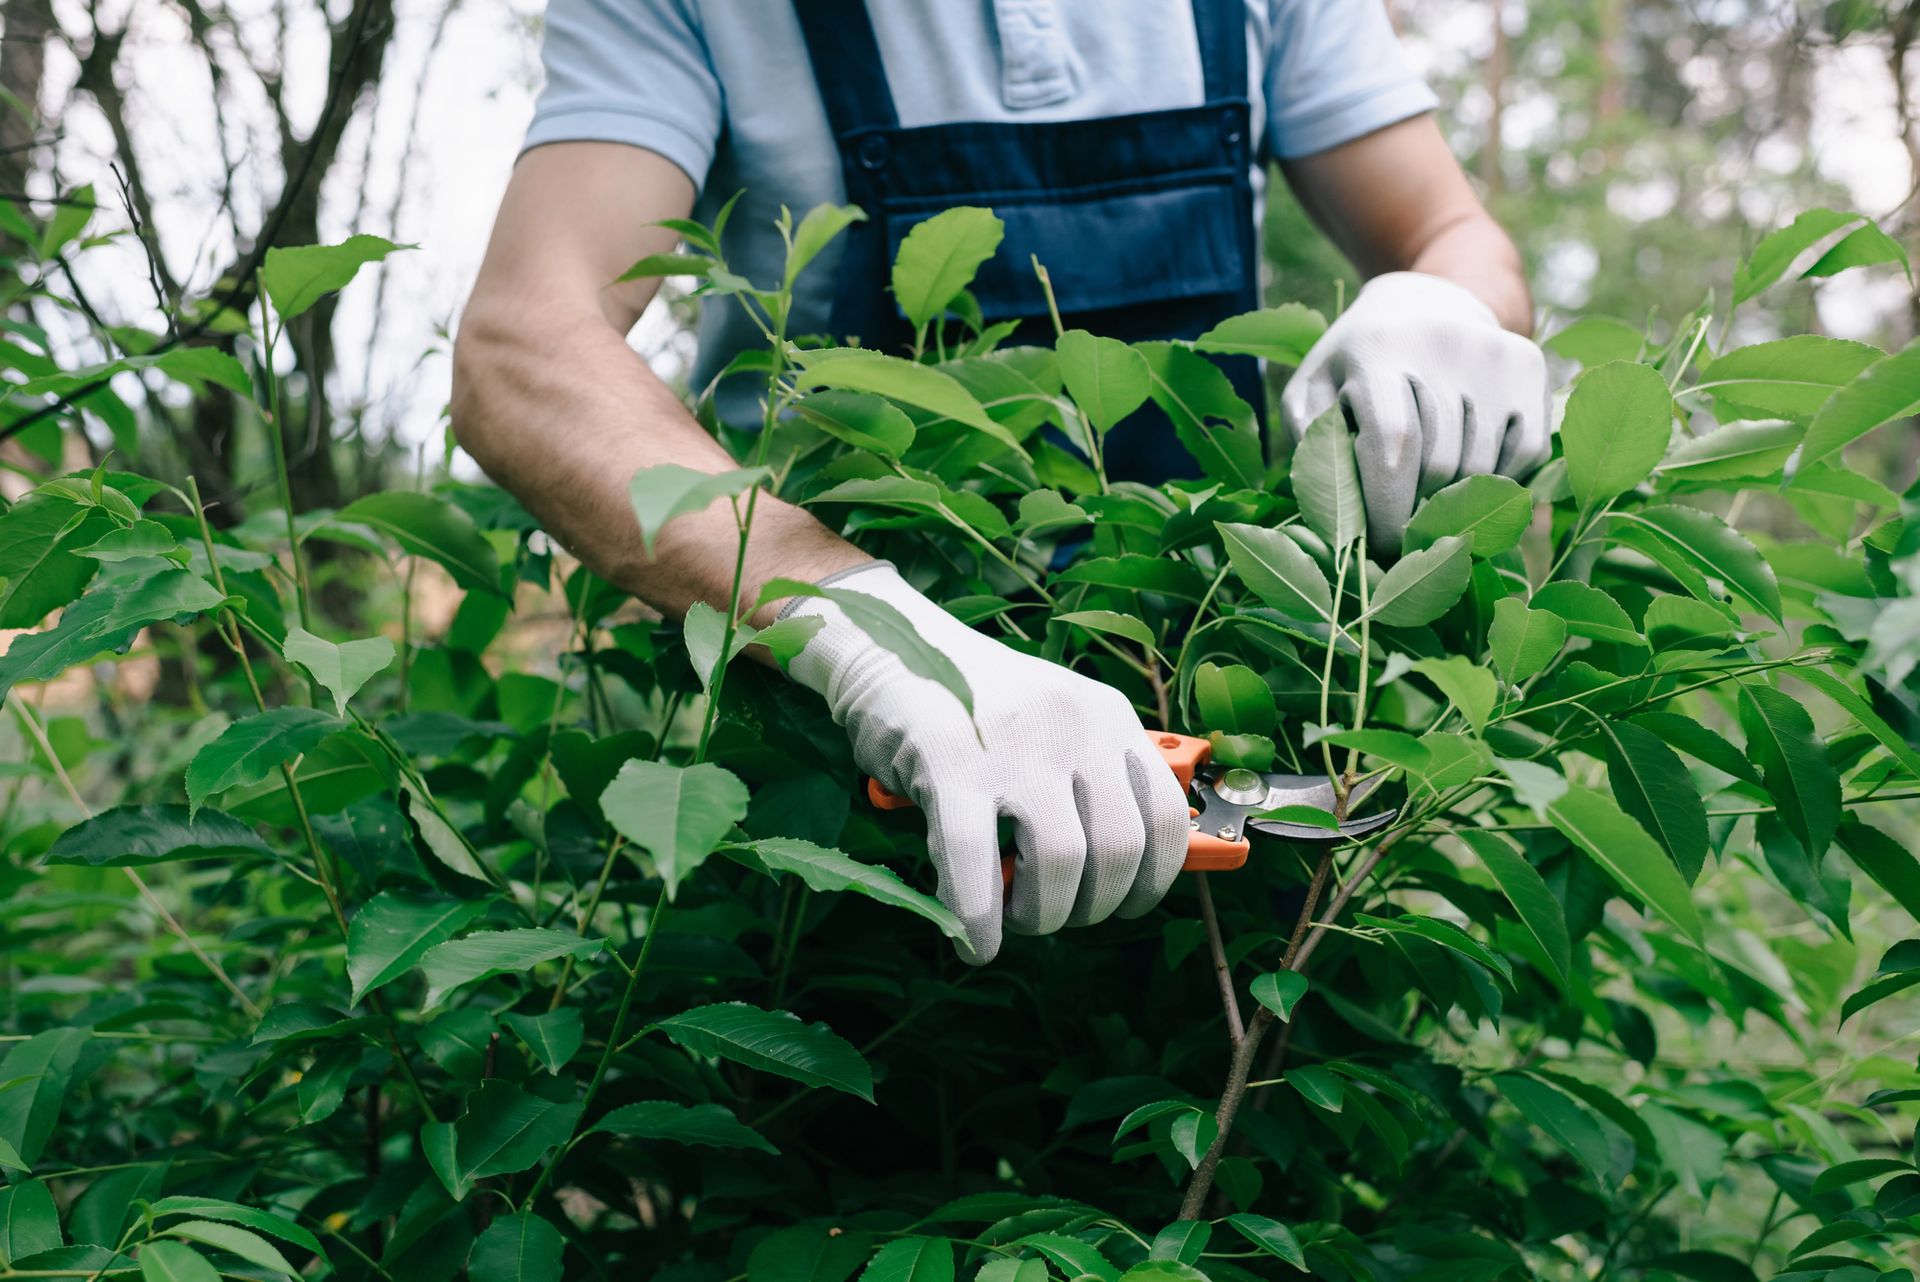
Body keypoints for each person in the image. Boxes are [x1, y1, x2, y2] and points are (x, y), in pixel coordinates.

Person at [451, 0, 1552, 964]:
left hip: (1220, 757)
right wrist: (871, 641)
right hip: (826, 813)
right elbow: (524, 346)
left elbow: (1450, 230)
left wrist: (1447, 299)